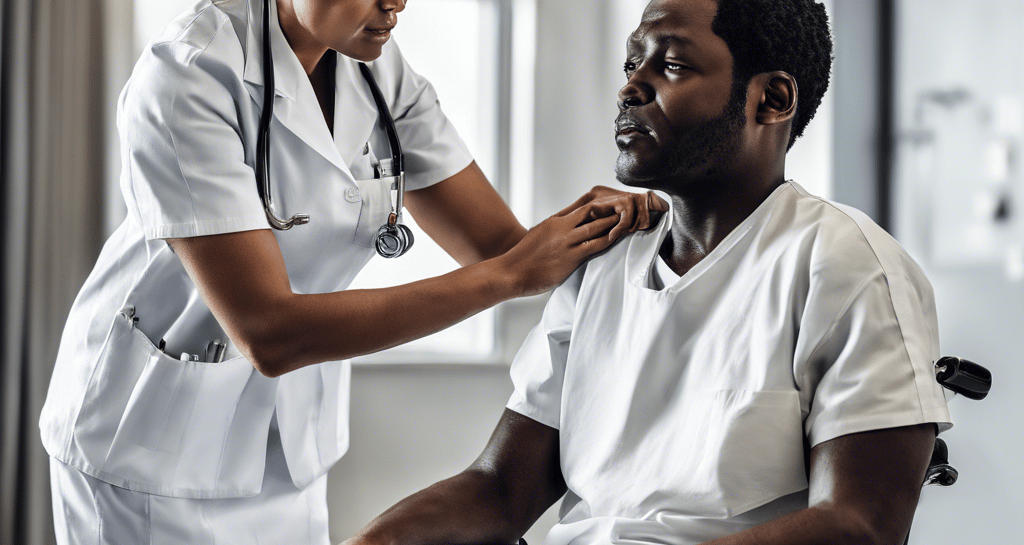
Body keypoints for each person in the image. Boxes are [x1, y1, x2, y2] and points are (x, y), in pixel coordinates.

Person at [38, 0, 667, 543]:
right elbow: (268, 332)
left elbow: (499, 246)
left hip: (287, 455)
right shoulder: (187, 77)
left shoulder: (377, 72)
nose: (397, 3)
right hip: (152, 450)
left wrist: (609, 228)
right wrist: (509, 275)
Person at [342, 0, 954, 544]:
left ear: (771, 99)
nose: (631, 88)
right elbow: (500, 489)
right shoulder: (603, 263)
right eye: (634, 62)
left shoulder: (847, 267)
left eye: (673, 66)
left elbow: (860, 525)